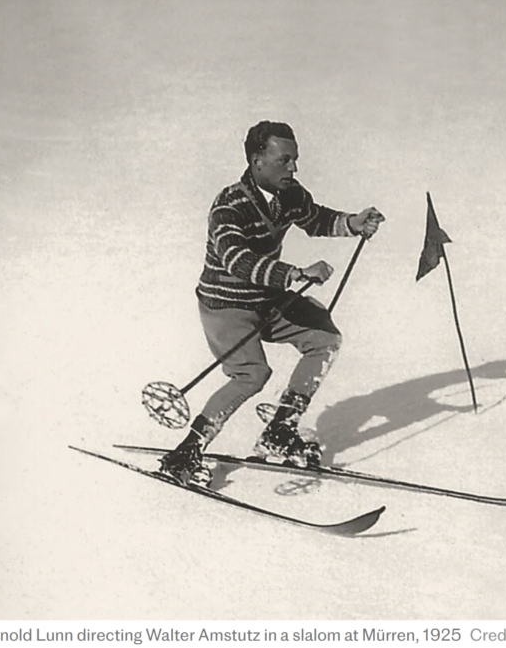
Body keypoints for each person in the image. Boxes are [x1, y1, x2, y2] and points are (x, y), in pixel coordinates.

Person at [160, 121, 385, 486]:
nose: (293, 168)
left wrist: (352, 223)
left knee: (324, 339)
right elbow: (237, 260)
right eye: (284, 160)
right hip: (227, 304)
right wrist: (295, 273)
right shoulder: (229, 205)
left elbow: (316, 218)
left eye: (294, 159)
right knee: (252, 375)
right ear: (257, 161)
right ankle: (185, 452)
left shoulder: (289, 194)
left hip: (266, 298)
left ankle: (279, 431)